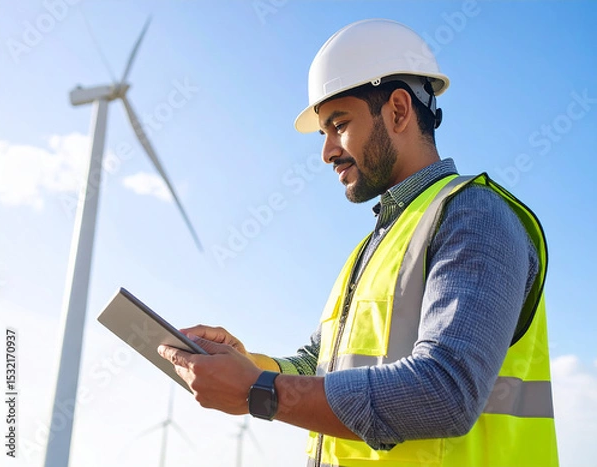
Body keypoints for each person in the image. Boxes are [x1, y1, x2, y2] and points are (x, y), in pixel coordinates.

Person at [158, 19, 558, 467]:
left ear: (399, 111)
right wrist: (247, 364)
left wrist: (258, 391)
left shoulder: (474, 216)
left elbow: (446, 392)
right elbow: (319, 365)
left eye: (339, 124)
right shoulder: (376, 246)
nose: (327, 151)